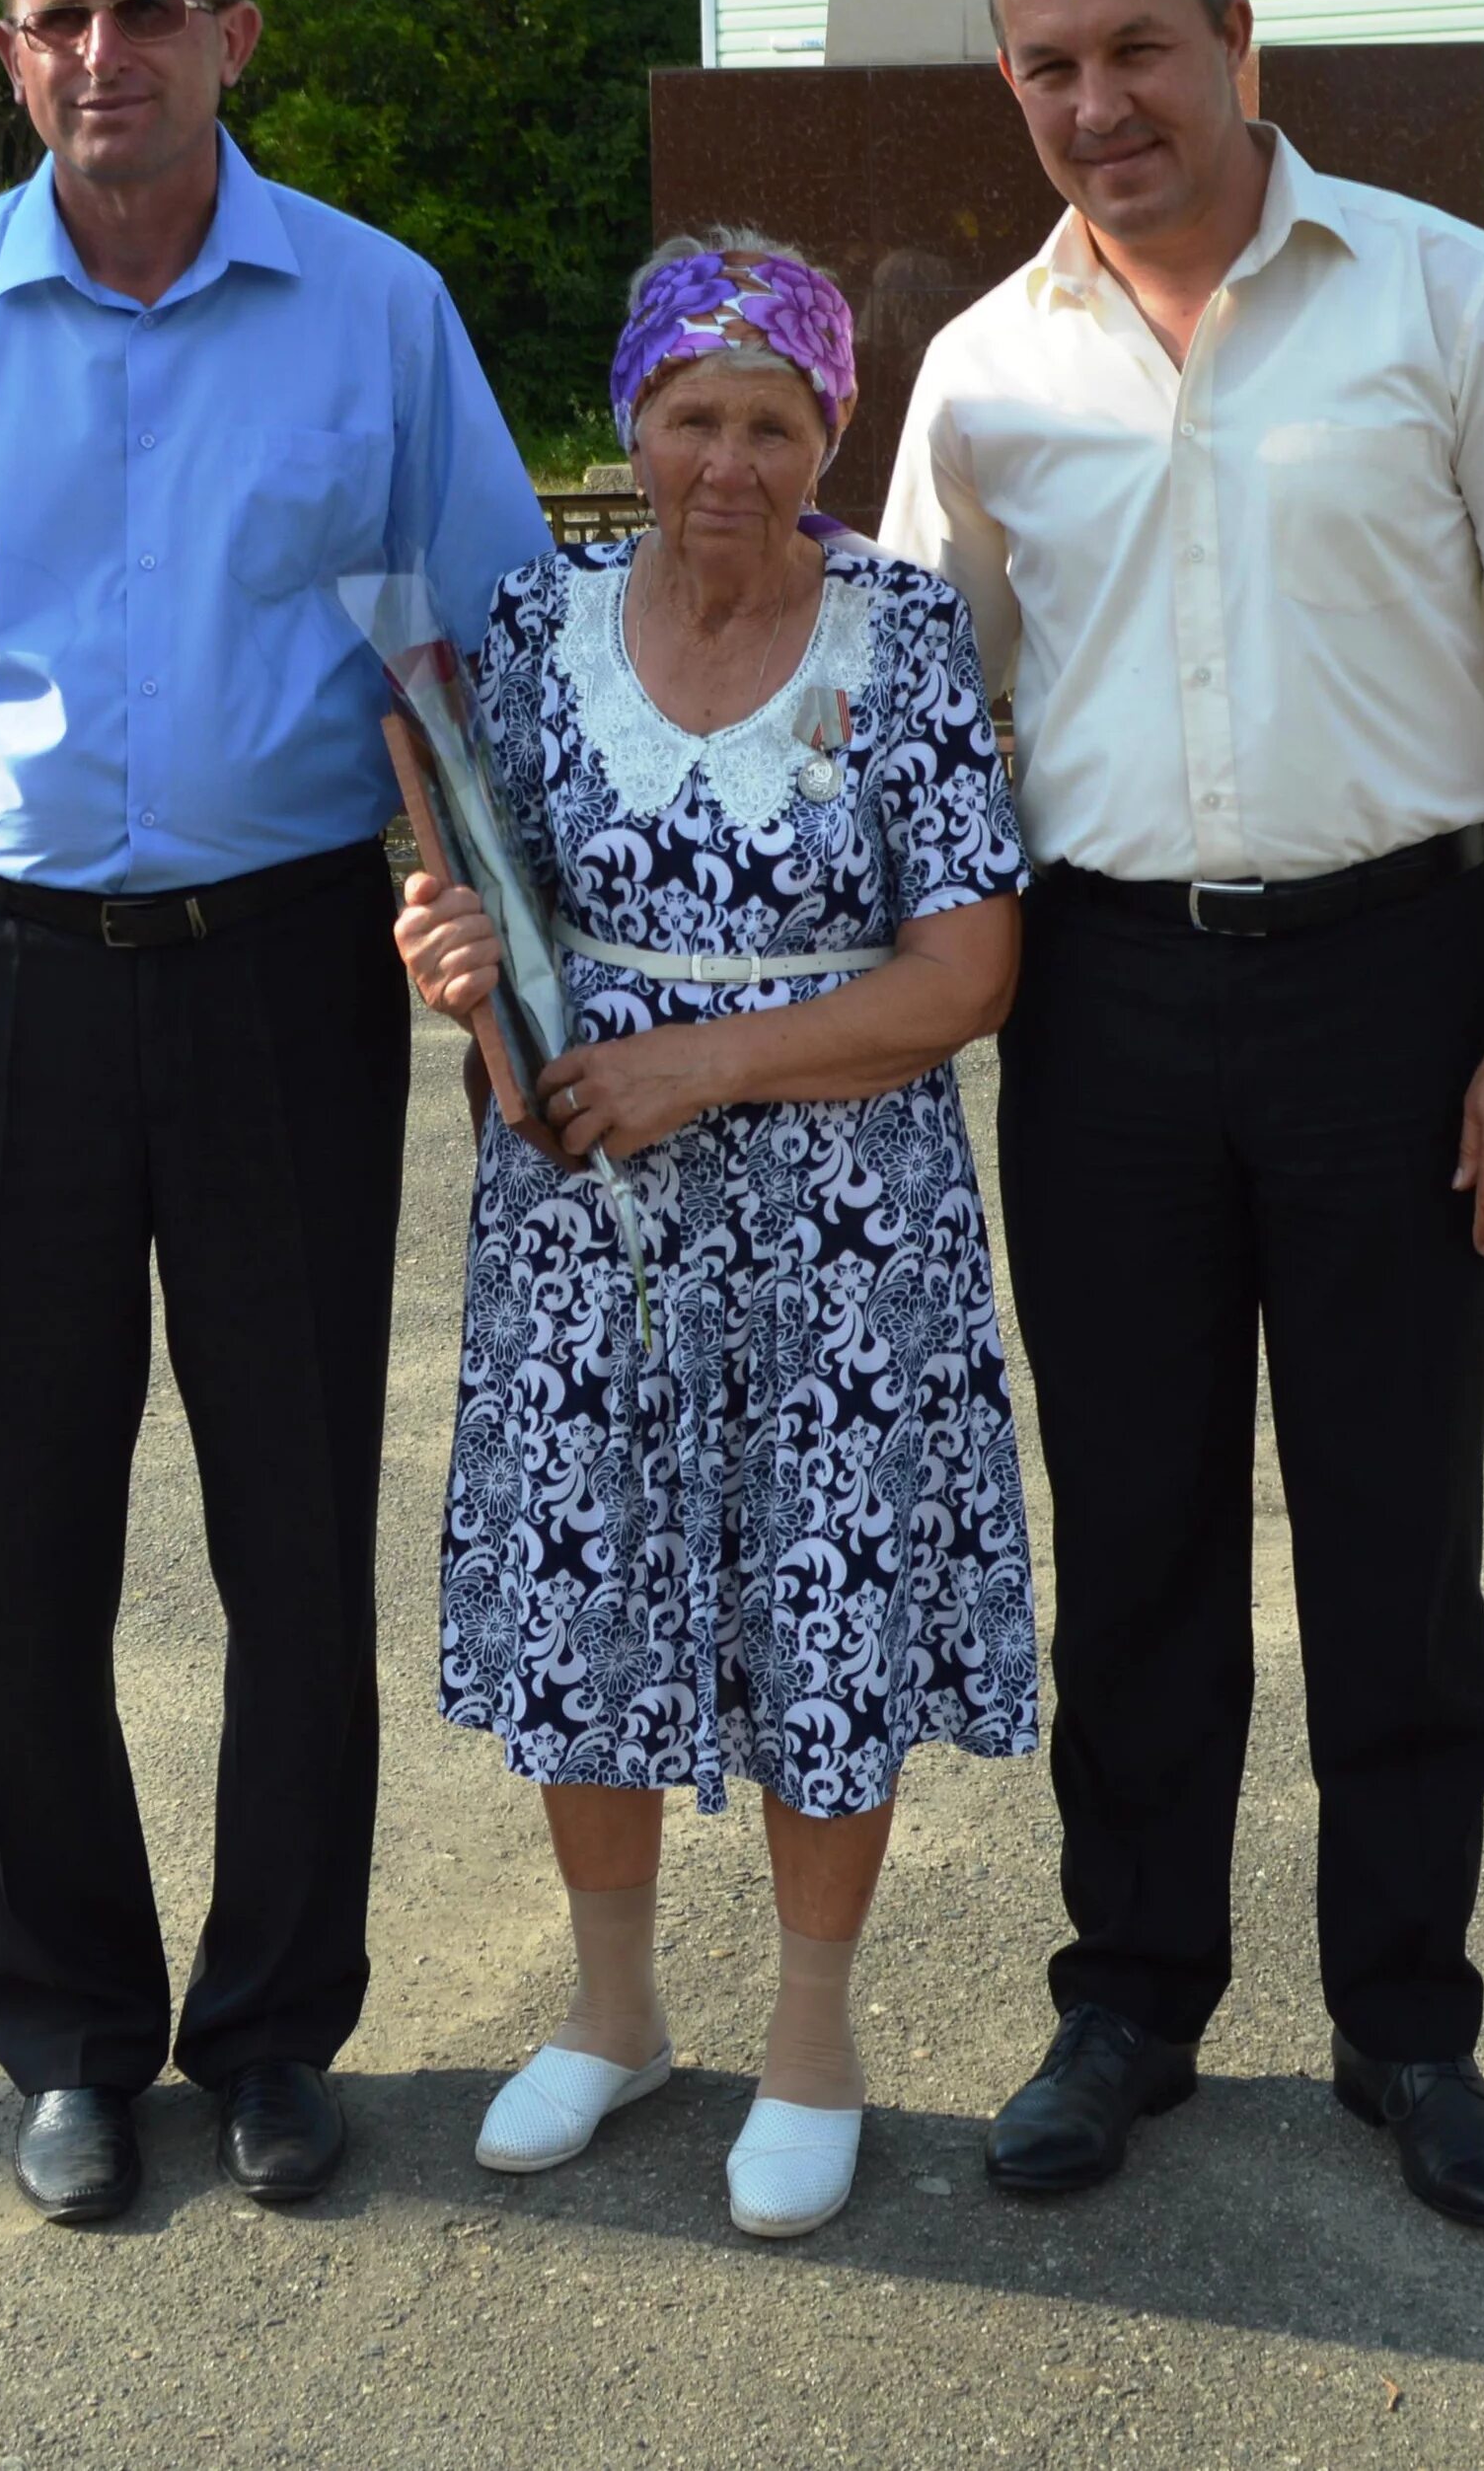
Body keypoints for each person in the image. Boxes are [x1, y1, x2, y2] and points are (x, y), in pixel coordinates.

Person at [883, 0, 1484, 2229]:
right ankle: (1127, 1992)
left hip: (1395, 992)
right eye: (1047, 66)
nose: (1097, 103)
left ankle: (1405, 2023)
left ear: (1233, 37)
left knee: (1391, 1534)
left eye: (1134, 47)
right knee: (1127, 1529)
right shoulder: (986, 371)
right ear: (1007, 88)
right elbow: (918, 718)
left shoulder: (1445, 297)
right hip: (1104, 1002)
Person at [0, 0, 547, 2228]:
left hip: (287, 978)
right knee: (33, 1541)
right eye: (56, 19)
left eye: (144, 7)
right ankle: (80, 2033)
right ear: (12, 55)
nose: (99, 53)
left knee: (297, 1519)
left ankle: (281, 2022)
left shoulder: (374, 314)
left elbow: (474, 662)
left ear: (230, 34)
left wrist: (514, 977)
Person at [393, 237, 1034, 2241]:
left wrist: (717, 1066)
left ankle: (817, 2039)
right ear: (633, 425)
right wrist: (450, 958)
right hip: (588, 1206)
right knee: (593, 1577)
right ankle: (610, 2012)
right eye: (694, 416)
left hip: (845, 1213)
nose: (730, 460)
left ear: (831, 435)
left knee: (823, 1591)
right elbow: (473, 887)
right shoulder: (530, 623)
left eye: (774, 421)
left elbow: (968, 970)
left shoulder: (902, 635)